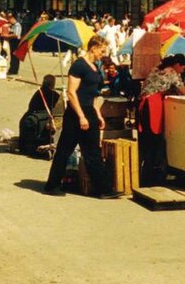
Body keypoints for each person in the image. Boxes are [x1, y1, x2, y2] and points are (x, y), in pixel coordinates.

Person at [44, 34, 119, 198]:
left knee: (93, 152)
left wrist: (98, 114)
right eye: (102, 51)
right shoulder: (79, 65)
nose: (103, 54)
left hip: (89, 111)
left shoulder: (95, 67)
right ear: (93, 48)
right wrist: (81, 116)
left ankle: (103, 189)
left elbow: (92, 94)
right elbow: (71, 92)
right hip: (75, 114)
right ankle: (52, 185)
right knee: (64, 150)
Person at [138, 56, 185, 184]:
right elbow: (183, 92)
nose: (182, 71)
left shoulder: (157, 69)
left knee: (147, 141)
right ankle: (153, 176)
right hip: (153, 105)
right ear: (177, 65)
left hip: (144, 105)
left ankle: (146, 174)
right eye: (183, 68)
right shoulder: (172, 73)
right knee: (155, 141)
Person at [19, 75, 61, 160]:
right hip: (40, 119)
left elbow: (31, 106)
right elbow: (59, 109)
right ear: (53, 84)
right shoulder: (54, 95)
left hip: (29, 117)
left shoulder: (39, 93)